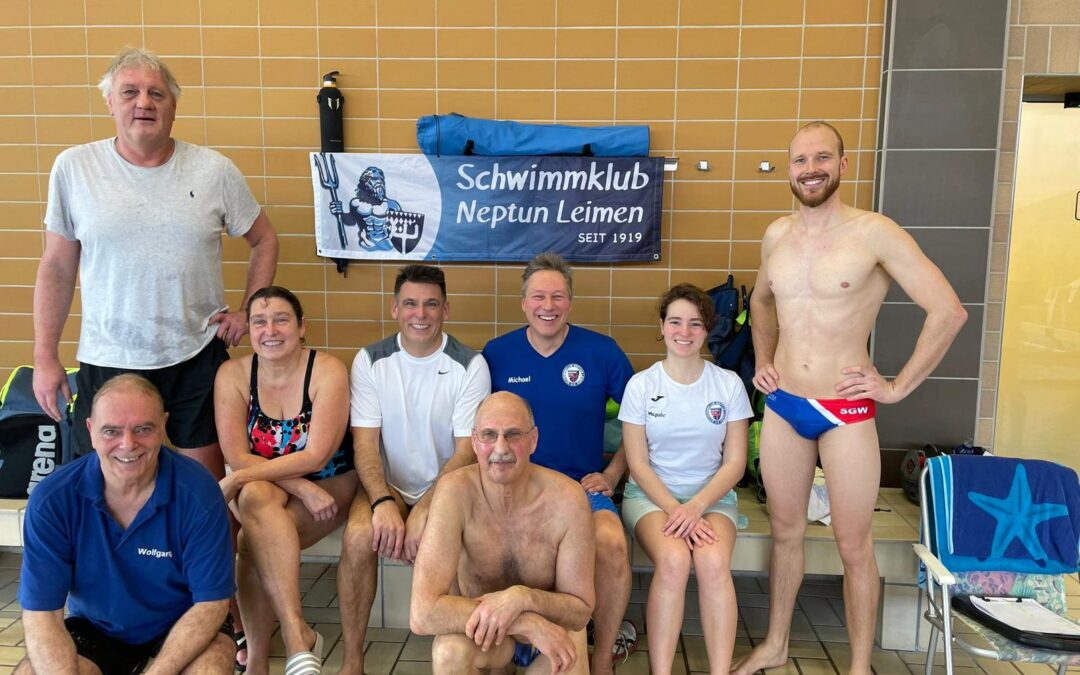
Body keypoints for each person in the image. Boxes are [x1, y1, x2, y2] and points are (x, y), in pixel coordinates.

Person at [731, 121, 968, 675]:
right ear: (788, 170)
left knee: (853, 543)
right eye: (799, 160)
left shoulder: (875, 232)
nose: (809, 169)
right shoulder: (776, 236)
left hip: (847, 410)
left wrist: (896, 385)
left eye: (821, 158)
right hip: (786, 404)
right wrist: (764, 362)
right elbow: (761, 304)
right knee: (785, 534)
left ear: (842, 163)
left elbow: (948, 310)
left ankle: (859, 667)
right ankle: (776, 644)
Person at [32, 47, 279, 478]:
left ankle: (207, 550)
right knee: (100, 485)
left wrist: (249, 311)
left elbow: (264, 239)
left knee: (208, 488)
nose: (143, 103)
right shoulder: (74, 168)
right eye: (130, 92)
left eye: (156, 94)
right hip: (108, 353)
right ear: (110, 103)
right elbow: (56, 266)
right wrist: (45, 356)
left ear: (174, 107)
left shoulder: (213, 170)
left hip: (196, 353)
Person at [16, 374, 236, 675]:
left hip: (184, 621)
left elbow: (211, 604)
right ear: (91, 431)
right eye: (111, 431)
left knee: (210, 667)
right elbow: (42, 615)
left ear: (163, 426)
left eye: (143, 429)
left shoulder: (199, 493)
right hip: (98, 628)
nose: (127, 444)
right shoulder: (53, 500)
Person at [482, 251, 636, 675]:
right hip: (514, 492)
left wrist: (611, 474)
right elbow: (477, 430)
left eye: (557, 296)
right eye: (538, 296)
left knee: (611, 542)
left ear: (570, 300)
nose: (547, 306)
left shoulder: (602, 352)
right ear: (523, 302)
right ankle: (503, 646)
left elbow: (641, 419)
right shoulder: (497, 354)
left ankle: (602, 656)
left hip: (580, 491)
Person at [336, 264, 491, 675]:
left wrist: (427, 507)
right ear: (394, 309)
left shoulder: (470, 365)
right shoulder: (370, 361)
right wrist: (384, 500)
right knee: (356, 538)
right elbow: (365, 444)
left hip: (450, 485)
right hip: (385, 485)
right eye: (410, 303)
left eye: (430, 304)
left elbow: (465, 453)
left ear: (446, 310)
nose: (420, 313)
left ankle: (464, 656)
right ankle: (353, 661)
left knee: (459, 544)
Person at [214, 286, 357, 675]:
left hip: (329, 484)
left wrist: (243, 477)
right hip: (285, 488)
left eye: (281, 319)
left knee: (249, 536)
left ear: (301, 326)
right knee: (257, 498)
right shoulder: (233, 374)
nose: (270, 330)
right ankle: (297, 637)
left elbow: (316, 456)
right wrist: (298, 485)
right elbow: (236, 456)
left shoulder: (327, 370)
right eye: (259, 321)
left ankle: (259, 662)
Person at [410, 392, 596, 675]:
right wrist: (524, 621)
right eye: (488, 435)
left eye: (513, 435)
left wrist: (524, 598)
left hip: (551, 632)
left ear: (533, 440)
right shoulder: (454, 492)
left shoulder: (567, 499)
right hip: (482, 633)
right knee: (449, 653)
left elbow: (580, 610)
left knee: (569, 662)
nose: (500, 448)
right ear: (474, 442)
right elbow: (422, 613)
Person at [621, 283, 751, 675]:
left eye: (695, 324)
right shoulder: (641, 386)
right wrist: (677, 509)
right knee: (675, 561)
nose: (684, 331)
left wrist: (695, 508)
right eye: (675, 322)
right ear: (661, 326)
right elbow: (638, 465)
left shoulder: (727, 385)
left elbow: (735, 464)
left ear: (707, 329)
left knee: (713, 563)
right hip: (651, 496)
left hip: (712, 497)